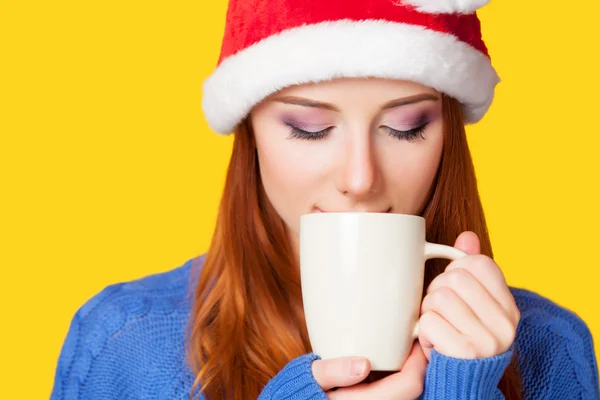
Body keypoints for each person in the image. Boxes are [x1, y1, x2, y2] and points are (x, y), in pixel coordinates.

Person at [50, 0, 600, 399]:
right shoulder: (123, 343)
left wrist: (463, 390)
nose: (360, 178)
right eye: (310, 128)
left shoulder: (550, 348)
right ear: (252, 135)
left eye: (406, 127)